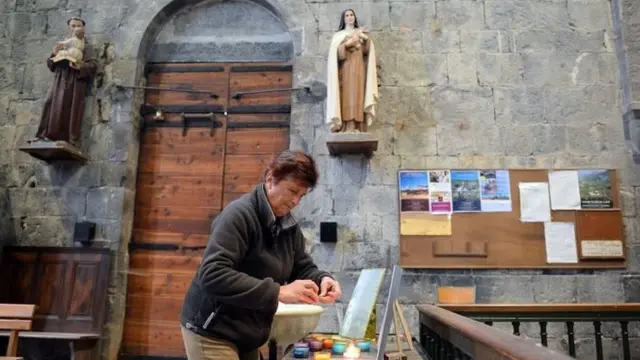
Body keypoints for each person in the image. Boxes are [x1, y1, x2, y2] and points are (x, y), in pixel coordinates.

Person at [180, 150, 342, 360]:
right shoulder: (239, 215)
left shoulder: (288, 225)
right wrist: (278, 292)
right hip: (213, 330)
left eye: (301, 196)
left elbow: (301, 267)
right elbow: (213, 274)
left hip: (247, 333)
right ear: (270, 179)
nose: (296, 202)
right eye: (292, 191)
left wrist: (322, 279)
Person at [31, 16, 97, 146]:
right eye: (73, 26)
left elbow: (93, 65)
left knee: (70, 107)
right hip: (59, 80)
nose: (76, 28)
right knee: (49, 103)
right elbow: (51, 64)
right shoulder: (63, 45)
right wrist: (54, 54)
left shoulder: (86, 46)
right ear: (69, 28)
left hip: (75, 81)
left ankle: (69, 139)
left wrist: (79, 65)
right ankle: (44, 135)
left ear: (83, 28)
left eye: (79, 26)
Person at [326, 8, 378, 133]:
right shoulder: (338, 36)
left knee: (359, 95)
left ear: (354, 18)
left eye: (352, 15)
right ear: (343, 19)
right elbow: (335, 54)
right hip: (346, 69)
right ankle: (347, 125)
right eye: (347, 15)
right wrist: (348, 44)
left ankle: (359, 125)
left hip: (359, 69)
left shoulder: (360, 32)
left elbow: (367, 50)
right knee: (347, 96)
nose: (350, 17)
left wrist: (365, 39)